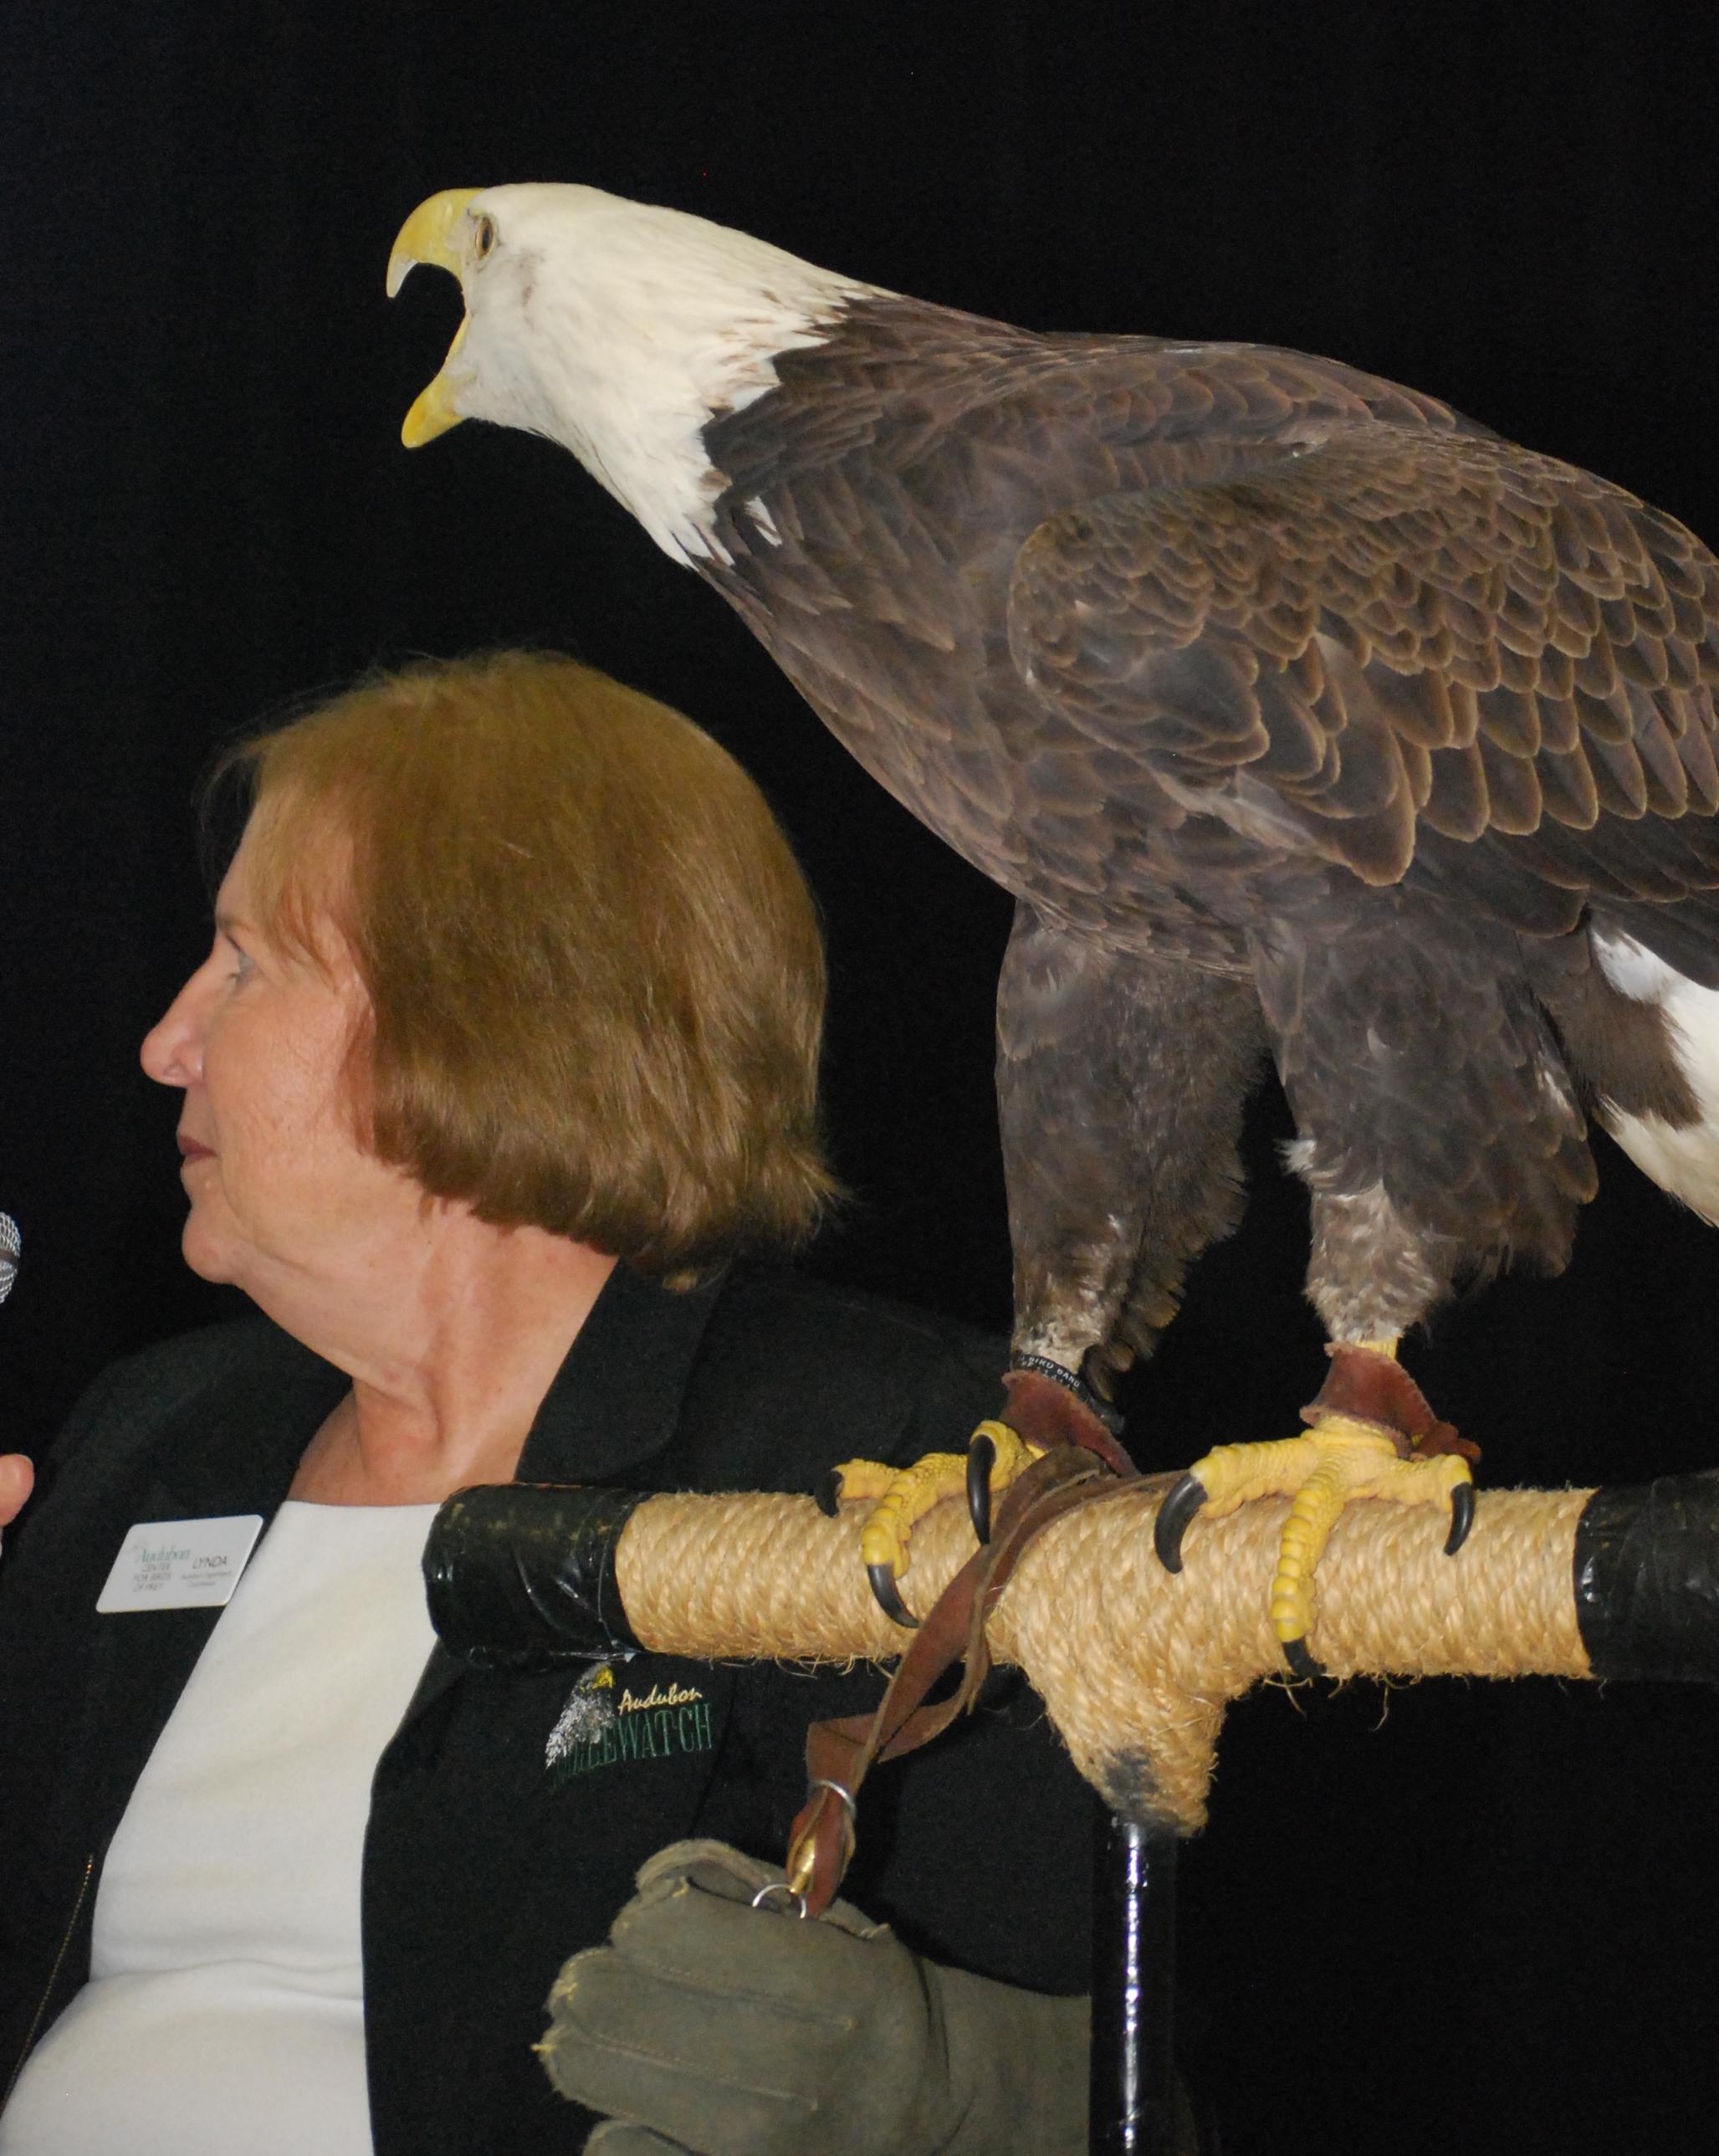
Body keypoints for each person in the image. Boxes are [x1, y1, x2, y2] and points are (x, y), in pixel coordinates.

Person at [0, 653, 1095, 2154]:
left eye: (243, 963)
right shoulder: (154, 1437)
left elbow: (1131, 2060)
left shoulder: (888, 1452)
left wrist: (964, 2087)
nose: (166, 1041)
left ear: (486, 1005)